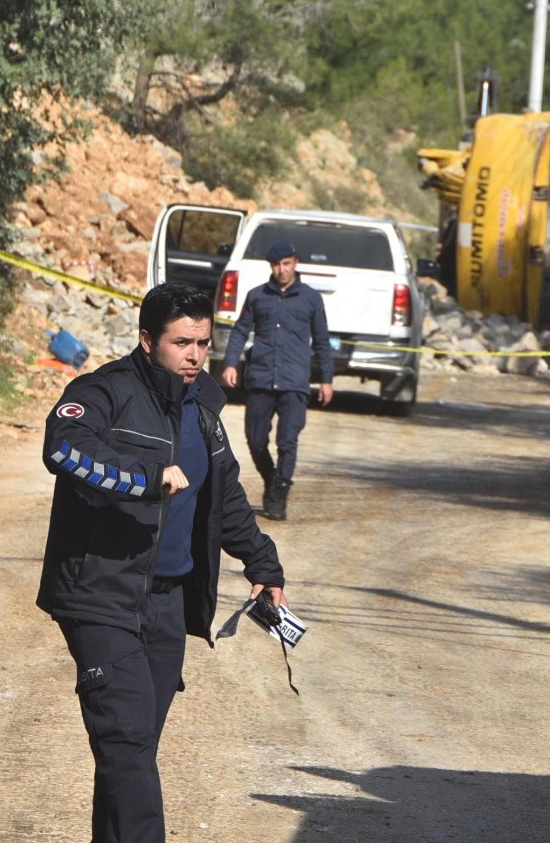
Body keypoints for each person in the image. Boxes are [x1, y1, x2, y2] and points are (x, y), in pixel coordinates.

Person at [38, 280, 288, 843]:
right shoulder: (103, 391)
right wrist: (145, 478)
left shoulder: (202, 406)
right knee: (125, 741)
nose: (195, 355)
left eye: (203, 342)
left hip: (167, 602)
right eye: (182, 343)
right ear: (148, 340)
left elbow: (224, 496)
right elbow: (63, 448)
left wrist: (263, 566)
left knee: (132, 753)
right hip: (101, 595)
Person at [220, 238, 334, 521]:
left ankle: (278, 496)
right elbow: (239, 331)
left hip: (294, 383)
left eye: (286, 264)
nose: (282, 270)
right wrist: (230, 363)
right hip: (260, 380)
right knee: (255, 440)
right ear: (271, 266)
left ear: (295, 263)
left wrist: (327, 380)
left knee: (287, 441)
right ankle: (273, 481)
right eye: (277, 265)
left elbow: (322, 341)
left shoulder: (311, 299)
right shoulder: (257, 296)